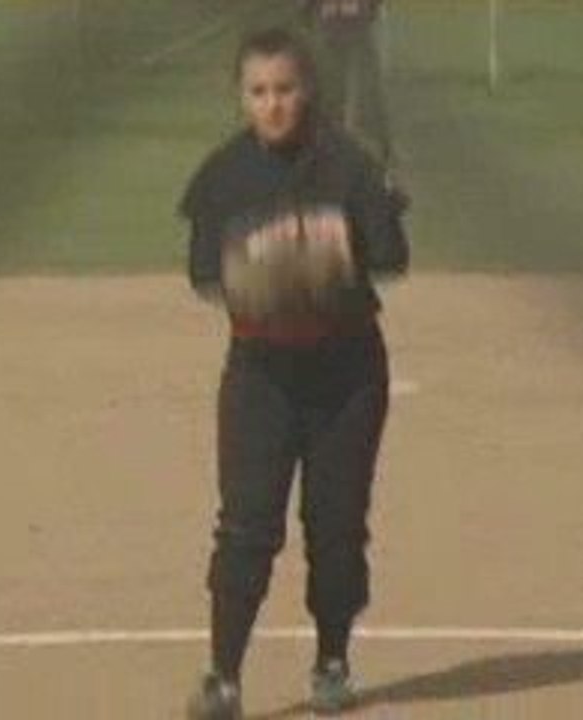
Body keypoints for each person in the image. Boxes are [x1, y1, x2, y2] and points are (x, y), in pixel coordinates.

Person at [179, 28, 409, 719]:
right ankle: (223, 675)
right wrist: (261, 272)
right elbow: (201, 273)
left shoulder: (348, 165)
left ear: (307, 91)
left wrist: (328, 254)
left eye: (285, 89)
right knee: (247, 525)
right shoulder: (223, 175)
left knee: (336, 526)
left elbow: (393, 257)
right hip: (262, 374)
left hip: (346, 372)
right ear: (241, 97)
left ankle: (332, 661)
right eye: (258, 92)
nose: (273, 104)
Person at [299, 0, 393, 168]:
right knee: (335, 88)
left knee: (364, 88)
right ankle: (333, 144)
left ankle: (374, 143)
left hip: (349, 24)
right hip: (336, 24)